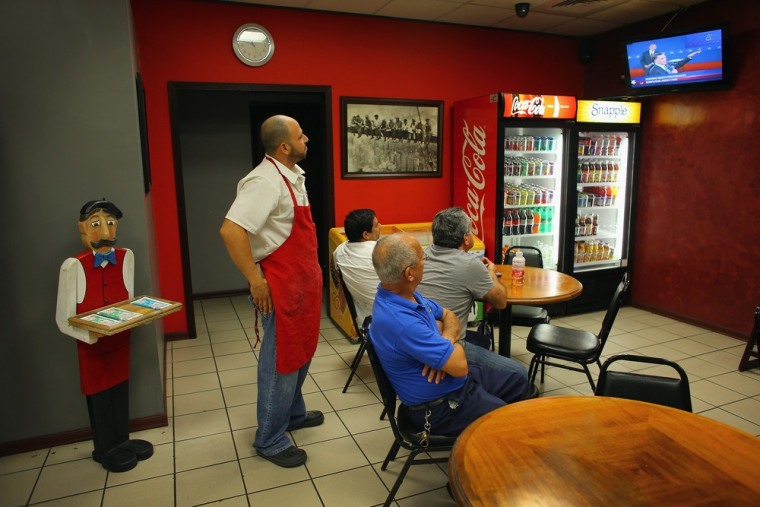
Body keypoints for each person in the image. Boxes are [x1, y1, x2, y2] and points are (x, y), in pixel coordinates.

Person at [220, 115, 323, 468]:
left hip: (303, 282)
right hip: (280, 283)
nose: (306, 138)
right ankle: (269, 437)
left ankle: (292, 414)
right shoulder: (264, 181)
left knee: (301, 351)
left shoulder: (293, 176)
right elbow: (231, 231)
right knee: (281, 359)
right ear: (284, 146)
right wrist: (255, 280)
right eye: (300, 135)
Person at [370, 233, 528, 436]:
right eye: (422, 258)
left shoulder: (401, 294)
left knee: (519, 381)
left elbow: (448, 315)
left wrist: (444, 341)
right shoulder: (402, 322)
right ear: (409, 273)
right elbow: (460, 366)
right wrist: (447, 347)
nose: (425, 261)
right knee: (513, 422)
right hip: (441, 406)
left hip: (455, 384)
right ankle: (489, 455)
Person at [56, 199, 153, 473]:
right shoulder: (73, 266)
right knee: (99, 395)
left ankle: (122, 440)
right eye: (96, 224)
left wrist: (139, 316)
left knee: (121, 391)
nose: (106, 232)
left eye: (110, 223)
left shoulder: (126, 257)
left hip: (120, 342)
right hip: (93, 348)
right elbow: (62, 318)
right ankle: (105, 448)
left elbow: (129, 301)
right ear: (83, 228)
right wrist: (91, 337)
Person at [417, 207, 529, 383]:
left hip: (419, 342)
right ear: (466, 238)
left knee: (480, 340)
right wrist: (491, 272)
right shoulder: (470, 264)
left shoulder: (420, 255)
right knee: (519, 373)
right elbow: (500, 302)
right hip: (449, 346)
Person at [332, 209, 381, 327]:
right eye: (376, 225)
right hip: (390, 317)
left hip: (364, 321)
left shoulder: (338, 251)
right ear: (366, 234)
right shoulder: (381, 251)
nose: (380, 226)